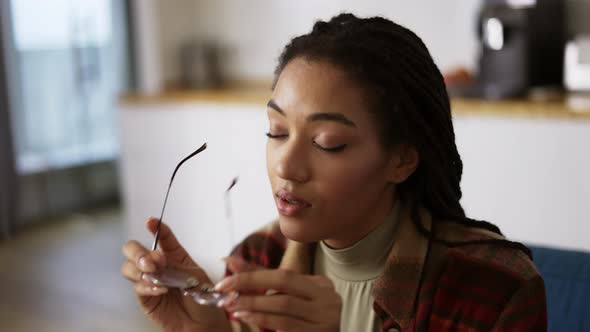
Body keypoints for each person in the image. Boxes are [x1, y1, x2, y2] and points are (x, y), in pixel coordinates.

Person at [121, 13, 547, 332]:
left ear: (401, 160)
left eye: (327, 143)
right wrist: (208, 328)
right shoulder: (256, 260)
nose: (286, 165)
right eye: (277, 131)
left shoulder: (495, 291)